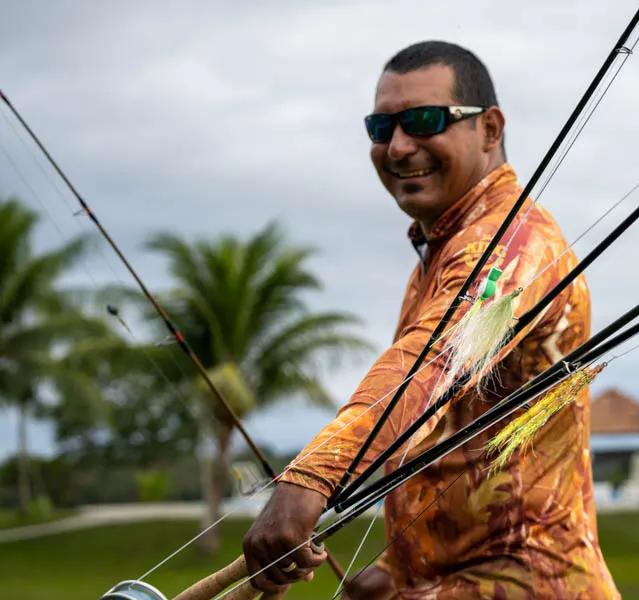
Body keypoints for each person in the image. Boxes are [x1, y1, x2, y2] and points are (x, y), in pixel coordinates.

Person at [243, 40, 619, 599]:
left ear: (489, 129)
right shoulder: (438, 255)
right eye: (381, 127)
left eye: (423, 121)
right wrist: (402, 569)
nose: (398, 146)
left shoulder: (512, 245)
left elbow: (433, 361)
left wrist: (309, 478)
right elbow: (446, 436)